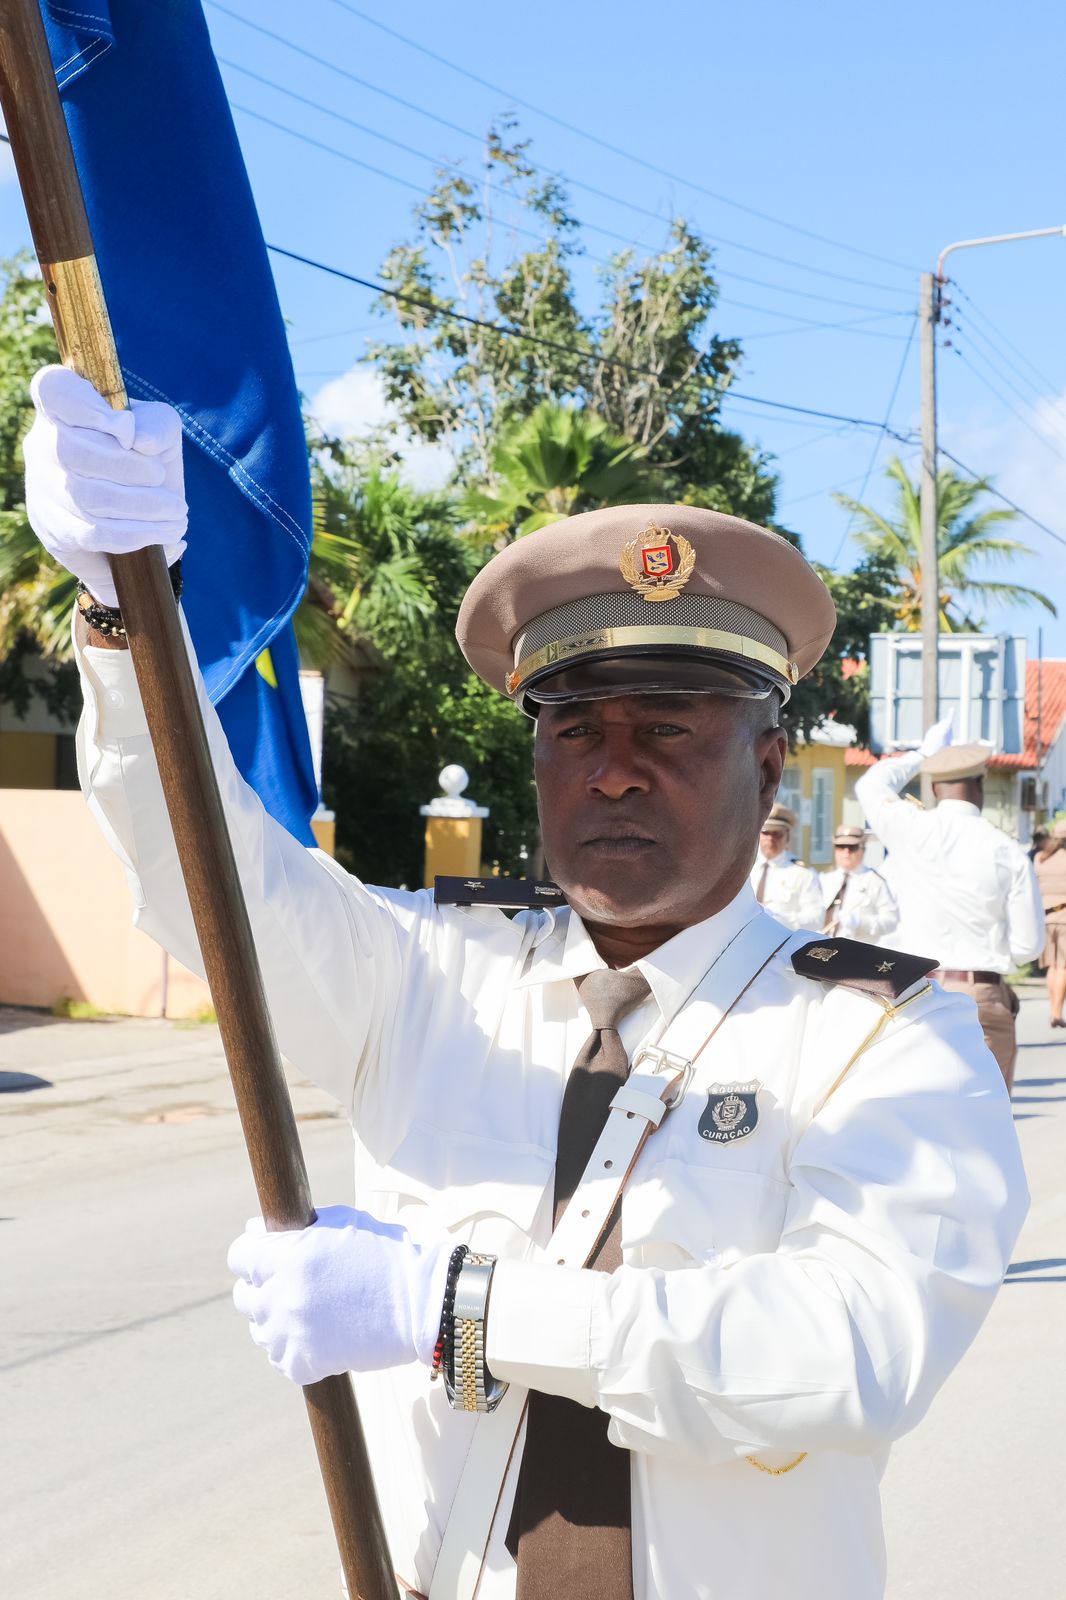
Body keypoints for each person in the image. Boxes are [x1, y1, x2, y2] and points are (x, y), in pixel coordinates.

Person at [24, 366, 1027, 1600]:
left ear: (768, 768)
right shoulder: (430, 970)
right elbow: (211, 883)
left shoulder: (886, 1037)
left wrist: (456, 1305)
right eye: (575, 727)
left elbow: (849, 1349)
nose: (612, 771)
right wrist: (127, 614)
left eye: (666, 727)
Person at [855, 728, 1044, 1093]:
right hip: (981, 994)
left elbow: (871, 785)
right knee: (984, 1129)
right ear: (980, 785)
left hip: (917, 992)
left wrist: (921, 753)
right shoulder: (1006, 850)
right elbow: (1028, 946)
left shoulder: (910, 829)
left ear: (936, 789)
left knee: (922, 1117)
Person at [748, 802, 824, 930]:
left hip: (783, 943)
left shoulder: (803, 873)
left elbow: (817, 919)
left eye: (777, 834)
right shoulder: (747, 869)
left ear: (787, 837)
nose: (771, 839)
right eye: (766, 833)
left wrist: (780, 918)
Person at [819, 825, 898, 942]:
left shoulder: (874, 881)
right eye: (841, 846)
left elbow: (891, 922)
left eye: (852, 847)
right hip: (823, 950)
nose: (846, 851)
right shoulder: (824, 879)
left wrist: (861, 921)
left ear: (863, 849)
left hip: (858, 952)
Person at [1033, 818, 1066, 1027]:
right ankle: (1056, 1012)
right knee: (1063, 966)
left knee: (1052, 967)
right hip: (1064, 919)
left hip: (1044, 917)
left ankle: (1053, 1008)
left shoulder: (1040, 858)